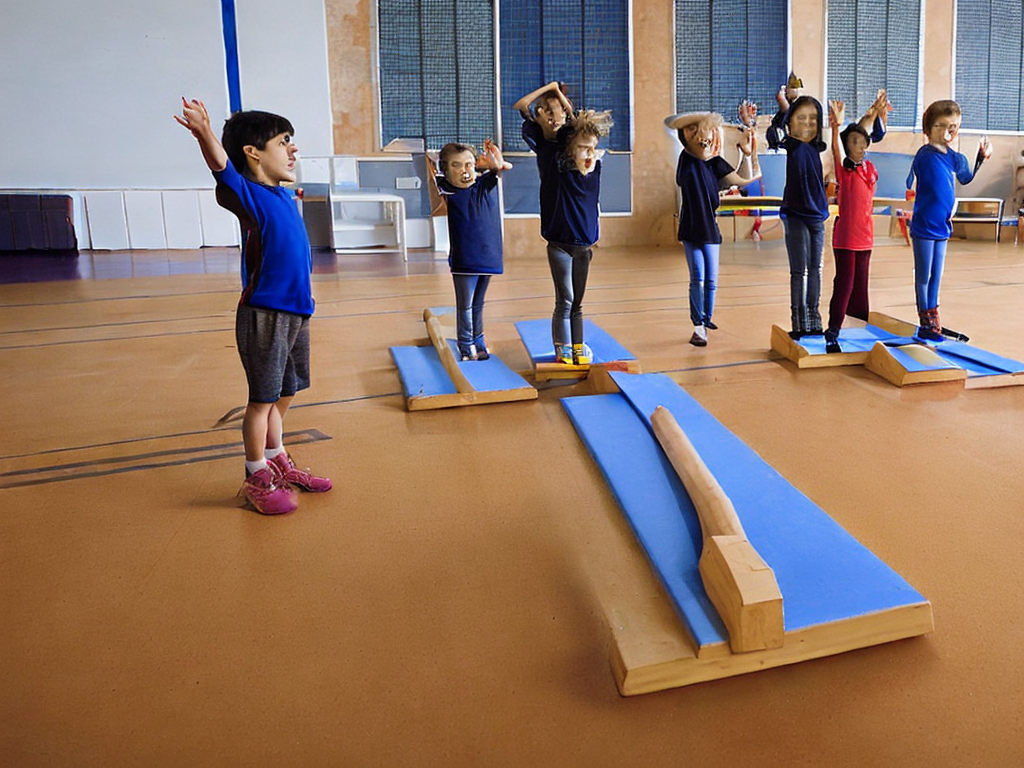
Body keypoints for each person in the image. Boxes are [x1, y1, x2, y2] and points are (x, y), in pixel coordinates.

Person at [175, 97, 331, 515]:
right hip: (264, 313)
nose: (293, 149)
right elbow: (221, 167)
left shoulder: (283, 195)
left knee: (286, 392)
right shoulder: (249, 195)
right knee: (262, 400)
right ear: (253, 152)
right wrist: (206, 133)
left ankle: (278, 458)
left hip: (299, 311)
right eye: (284, 142)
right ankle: (256, 475)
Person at [515, 83, 613, 365]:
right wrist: (551, 90)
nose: (589, 153)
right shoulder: (554, 153)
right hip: (558, 241)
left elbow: (578, 127)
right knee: (565, 299)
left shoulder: (594, 167)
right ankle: (563, 348)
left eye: (592, 149)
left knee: (578, 302)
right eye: (583, 149)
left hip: (584, 245)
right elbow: (524, 108)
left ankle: (579, 346)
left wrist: (560, 98)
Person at [665, 111, 761, 346]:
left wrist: (748, 154)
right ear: (683, 137)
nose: (698, 135)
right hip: (690, 228)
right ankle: (698, 326)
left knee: (712, 280)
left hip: (710, 229)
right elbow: (687, 171)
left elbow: (745, 179)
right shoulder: (685, 161)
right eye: (691, 131)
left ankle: (707, 320)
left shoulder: (716, 163)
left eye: (702, 129)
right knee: (697, 276)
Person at [906, 100, 992, 340]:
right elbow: (929, 180)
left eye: (953, 128)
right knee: (923, 275)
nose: (947, 133)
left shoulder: (955, 157)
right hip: (924, 225)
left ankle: (934, 314)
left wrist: (980, 157)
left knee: (937, 273)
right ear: (928, 129)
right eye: (941, 127)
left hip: (943, 226)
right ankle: (925, 318)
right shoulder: (925, 155)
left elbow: (965, 178)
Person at [429, 140, 511, 360]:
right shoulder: (449, 189)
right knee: (465, 305)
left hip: (489, 255)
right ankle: (466, 344)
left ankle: (478, 339)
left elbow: (501, 168)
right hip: (465, 259)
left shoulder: (484, 184)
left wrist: (494, 161)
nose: (464, 171)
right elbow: (434, 176)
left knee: (478, 304)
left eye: (468, 164)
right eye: (457, 165)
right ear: (446, 171)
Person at [824, 95, 886, 353]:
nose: (859, 147)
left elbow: (871, 128)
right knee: (845, 282)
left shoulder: (869, 168)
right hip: (846, 238)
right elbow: (835, 149)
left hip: (865, 237)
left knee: (861, 283)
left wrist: (878, 112)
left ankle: (859, 325)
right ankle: (833, 329)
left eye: (862, 142)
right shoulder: (844, 171)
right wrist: (836, 127)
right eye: (854, 143)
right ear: (848, 147)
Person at [779, 95, 829, 338]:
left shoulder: (815, 148)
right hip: (796, 215)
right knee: (799, 271)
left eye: (813, 119)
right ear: (791, 123)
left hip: (817, 216)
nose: (808, 123)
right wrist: (784, 107)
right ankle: (798, 321)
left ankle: (814, 318)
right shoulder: (792, 144)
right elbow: (774, 134)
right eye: (801, 118)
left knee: (815, 268)